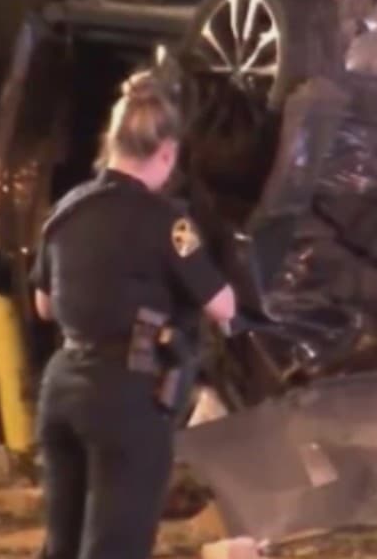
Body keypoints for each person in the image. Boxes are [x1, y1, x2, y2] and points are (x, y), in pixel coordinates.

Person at [29, 69, 237, 559]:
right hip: (125, 396)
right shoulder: (166, 222)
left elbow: (44, 306)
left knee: (61, 546)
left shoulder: (66, 209)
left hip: (62, 390)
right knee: (115, 547)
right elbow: (222, 304)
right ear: (166, 152)